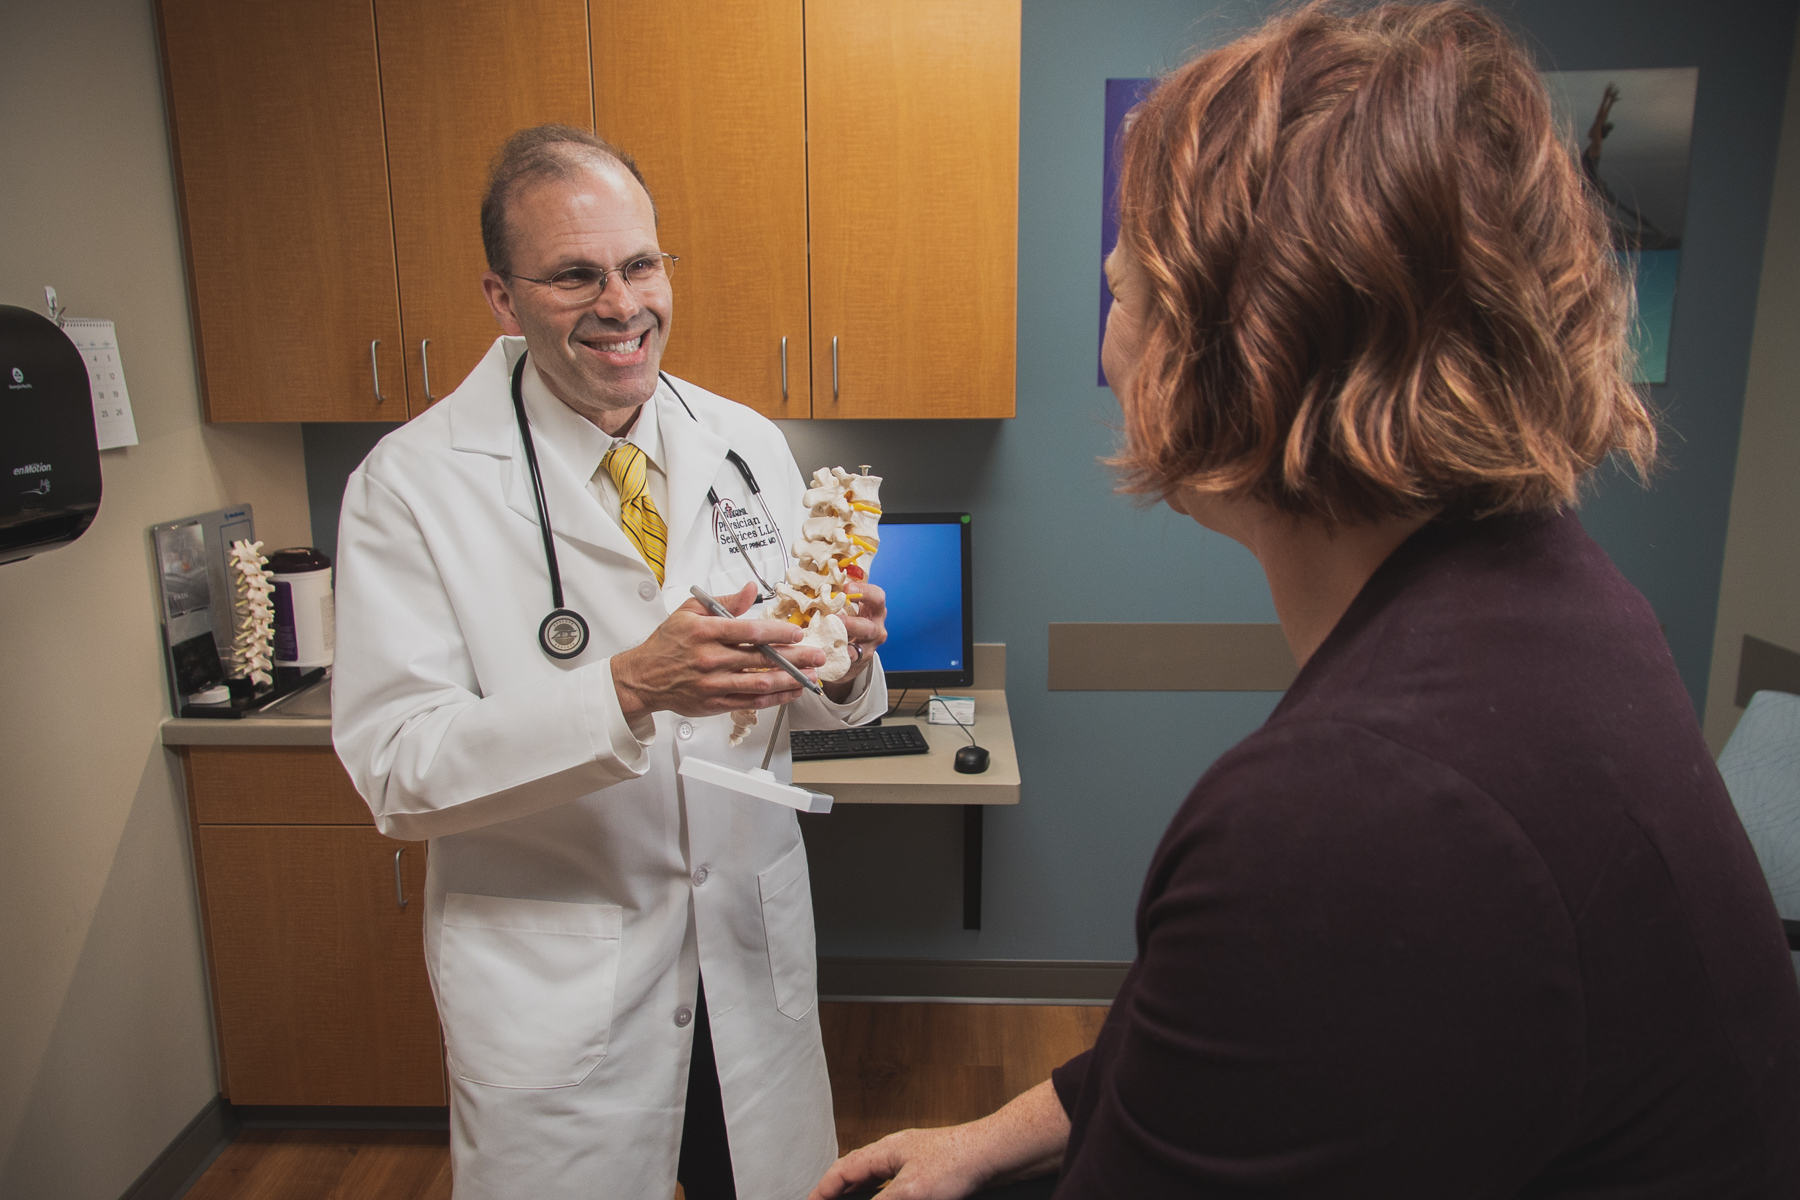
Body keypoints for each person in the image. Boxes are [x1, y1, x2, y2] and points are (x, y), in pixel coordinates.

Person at [812, 4, 1800, 1198]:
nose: (1108, 333)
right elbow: (1238, 1034)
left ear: (1251, 350)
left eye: (1124, 288)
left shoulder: (1357, 812)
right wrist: (990, 1137)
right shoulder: (1554, 604)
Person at [332, 125, 889, 1200]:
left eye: (640, 265)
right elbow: (399, 773)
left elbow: (806, 713)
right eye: (574, 275)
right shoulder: (410, 486)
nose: (622, 304)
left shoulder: (748, 443)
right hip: (564, 998)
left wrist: (846, 670)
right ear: (500, 297)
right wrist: (627, 689)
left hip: (744, 959)